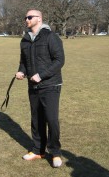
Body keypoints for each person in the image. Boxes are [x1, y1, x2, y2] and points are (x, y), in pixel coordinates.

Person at [15, 9, 65, 168]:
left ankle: (55, 152)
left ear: (39, 18)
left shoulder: (51, 37)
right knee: (36, 120)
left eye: (30, 17)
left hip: (50, 85)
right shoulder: (25, 40)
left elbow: (59, 60)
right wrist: (22, 71)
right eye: (25, 17)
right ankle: (38, 150)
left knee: (51, 119)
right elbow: (23, 61)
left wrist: (41, 75)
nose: (27, 19)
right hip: (33, 86)